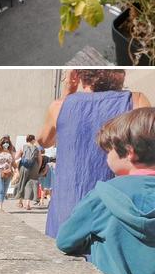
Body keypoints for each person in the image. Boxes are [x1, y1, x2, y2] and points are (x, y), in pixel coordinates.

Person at [56, 108, 155, 274]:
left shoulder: (103, 196)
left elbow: (65, 240)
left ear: (129, 152)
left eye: (108, 150)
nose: (106, 156)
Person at [38, 69, 151, 237]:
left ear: (79, 76)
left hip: (68, 206)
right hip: (115, 206)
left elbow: (44, 140)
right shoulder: (135, 100)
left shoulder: (59, 106)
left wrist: (67, 93)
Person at [14, 135, 42, 211]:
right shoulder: (37, 148)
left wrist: (16, 167)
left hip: (24, 167)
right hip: (34, 167)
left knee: (22, 183)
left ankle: (20, 202)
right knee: (31, 184)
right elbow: (40, 160)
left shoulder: (23, 147)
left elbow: (16, 157)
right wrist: (37, 168)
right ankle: (28, 204)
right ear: (33, 140)